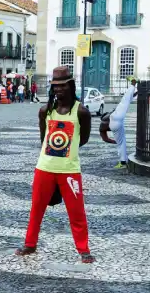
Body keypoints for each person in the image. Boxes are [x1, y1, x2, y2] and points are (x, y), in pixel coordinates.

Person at [16, 66, 95, 263]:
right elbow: (44, 138)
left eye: (62, 86)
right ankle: (30, 244)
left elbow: (82, 139)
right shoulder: (46, 111)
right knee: (37, 208)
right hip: (44, 168)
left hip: (69, 170)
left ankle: (83, 249)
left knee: (77, 211)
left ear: (70, 86)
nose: (58, 90)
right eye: (55, 87)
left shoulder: (81, 112)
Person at [100, 79, 137, 169]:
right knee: (124, 101)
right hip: (116, 120)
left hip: (115, 126)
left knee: (121, 142)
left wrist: (114, 141)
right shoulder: (111, 114)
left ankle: (123, 162)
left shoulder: (102, 127)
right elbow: (125, 101)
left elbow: (105, 139)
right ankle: (133, 84)